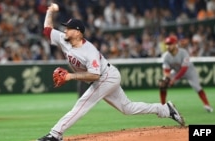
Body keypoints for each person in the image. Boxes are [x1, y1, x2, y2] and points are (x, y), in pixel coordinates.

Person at [37, 3, 185, 141]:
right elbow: (47, 30)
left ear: (77, 32)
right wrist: (50, 11)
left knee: (82, 104)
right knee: (127, 108)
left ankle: (55, 134)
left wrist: (70, 76)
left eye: (68, 28)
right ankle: (166, 109)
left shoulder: (89, 51)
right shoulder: (64, 39)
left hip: (106, 77)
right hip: (103, 77)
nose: (64, 30)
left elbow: (95, 75)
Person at [159, 35, 213, 113]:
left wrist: (174, 79)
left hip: (189, 71)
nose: (168, 46)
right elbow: (166, 70)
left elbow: (184, 69)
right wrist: (167, 78)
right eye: (167, 44)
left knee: (197, 87)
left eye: (170, 44)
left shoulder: (183, 52)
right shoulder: (165, 56)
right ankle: (162, 107)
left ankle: (207, 105)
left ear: (175, 44)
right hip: (176, 72)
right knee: (163, 84)